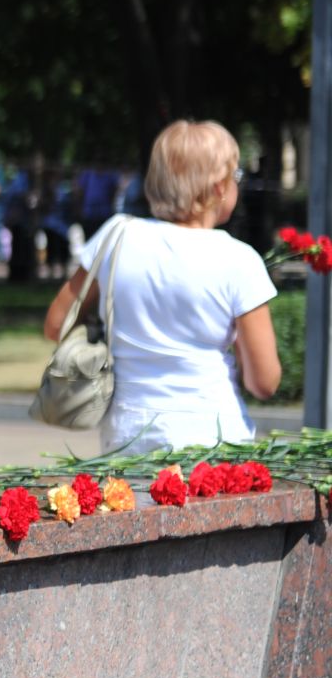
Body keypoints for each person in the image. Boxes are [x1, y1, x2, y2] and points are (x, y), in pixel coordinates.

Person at [42, 120, 280, 455]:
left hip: (128, 438)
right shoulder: (239, 260)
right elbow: (264, 382)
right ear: (217, 188)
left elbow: (56, 325)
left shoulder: (116, 236)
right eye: (235, 176)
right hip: (213, 440)